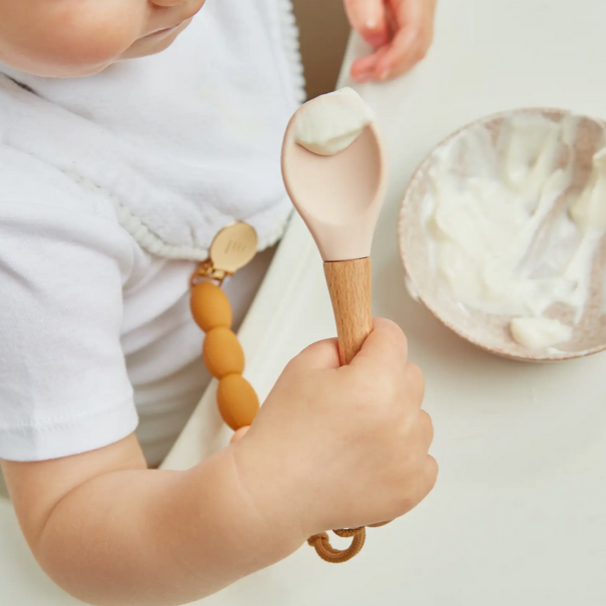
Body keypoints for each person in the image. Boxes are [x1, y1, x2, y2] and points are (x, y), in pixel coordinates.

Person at [0, 1, 438, 604]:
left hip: (296, 300)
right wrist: (265, 496)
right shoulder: (22, 222)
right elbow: (69, 517)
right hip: (187, 464)